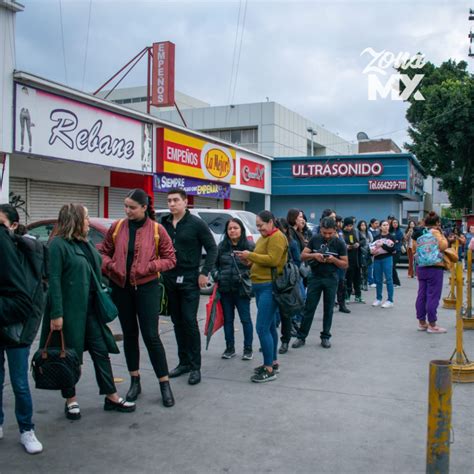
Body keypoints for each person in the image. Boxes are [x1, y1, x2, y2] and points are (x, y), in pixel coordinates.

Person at [39, 204, 136, 421]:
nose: (88, 221)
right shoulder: (58, 245)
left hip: (91, 310)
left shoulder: (85, 244)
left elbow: (97, 269)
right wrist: (57, 313)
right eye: (85, 217)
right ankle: (70, 400)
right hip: (69, 312)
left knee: (100, 351)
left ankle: (111, 396)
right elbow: (53, 280)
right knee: (69, 355)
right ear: (74, 220)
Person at [99, 189, 177, 406]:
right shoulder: (117, 227)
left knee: (151, 336)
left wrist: (149, 266)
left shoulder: (157, 229)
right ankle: (135, 380)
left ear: (144, 208)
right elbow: (103, 252)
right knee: (130, 334)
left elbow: (170, 259)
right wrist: (111, 265)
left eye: (132, 207)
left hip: (147, 287)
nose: (128, 211)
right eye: (126, 206)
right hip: (121, 287)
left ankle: (164, 383)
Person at [161, 188, 217, 386]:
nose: (172, 204)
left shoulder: (196, 224)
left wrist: (204, 273)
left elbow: (212, 248)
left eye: (176, 200)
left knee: (189, 322)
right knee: (177, 322)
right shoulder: (164, 223)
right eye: (169, 201)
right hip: (169, 278)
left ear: (185, 202)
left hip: (190, 279)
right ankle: (183, 362)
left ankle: (195, 367)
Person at [0, 207, 42, 454]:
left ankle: (27, 429)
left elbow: (30, 297)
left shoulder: (27, 252)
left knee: (19, 382)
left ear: (13, 226)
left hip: (18, 329)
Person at [235, 211, 287, 383]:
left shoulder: (277, 237)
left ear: (271, 222)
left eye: (261, 225)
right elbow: (261, 259)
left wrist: (250, 255)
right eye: (257, 226)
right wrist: (247, 261)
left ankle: (268, 369)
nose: (259, 228)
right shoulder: (265, 237)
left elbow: (273, 259)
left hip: (269, 287)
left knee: (262, 328)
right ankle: (272, 362)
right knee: (270, 326)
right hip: (260, 286)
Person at [292, 217, 348, 349]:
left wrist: (333, 260)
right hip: (315, 277)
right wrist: (314, 255)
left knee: (328, 309)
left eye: (330, 233)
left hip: (331, 278)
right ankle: (301, 337)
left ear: (335, 230)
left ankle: (325, 336)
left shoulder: (340, 243)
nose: (327, 236)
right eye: (324, 233)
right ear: (320, 230)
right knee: (309, 308)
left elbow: (345, 264)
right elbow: (302, 256)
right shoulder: (315, 239)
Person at [214, 218, 255, 360]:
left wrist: (246, 275)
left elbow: (256, 266)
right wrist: (216, 275)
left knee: (245, 320)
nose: (232, 231)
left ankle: (248, 349)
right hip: (225, 289)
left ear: (241, 230)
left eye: (235, 228)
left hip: (242, 290)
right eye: (230, 228)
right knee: (228, 320)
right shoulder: (222, 246)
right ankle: (229, 348)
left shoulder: (249, 246)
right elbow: (214, 265)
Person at [415, 211, 448, 333]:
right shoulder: (436, 232)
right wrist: (442, 235)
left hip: (421, 266)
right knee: (433, 295)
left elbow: (415, 248)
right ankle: (432, 324)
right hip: (434, 266)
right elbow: (444, 245)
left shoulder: (420, 232)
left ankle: (422, 322)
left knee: (421, 294)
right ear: (437, 223)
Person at [371, 220, 396, 308]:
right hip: (377, 259)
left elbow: (393, 250)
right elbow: (372, 247)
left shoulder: (391, 236)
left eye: (387, 225)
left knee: (389, 279)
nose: (386, 226)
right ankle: (378, 298)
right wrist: (372, 252)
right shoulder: (377, 237)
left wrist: (382, 245)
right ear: (380, 227)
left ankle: (390, 300)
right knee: (378, 280)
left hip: (387, 258)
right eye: (384, 225)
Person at [342, 217, 365, 303]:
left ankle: (358, 296)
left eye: (351, 225)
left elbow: (364, 240)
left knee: (357, 279)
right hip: (347, 260)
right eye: (348, 226)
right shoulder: (341, 233)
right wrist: (345, 247)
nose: (349, 227)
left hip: (357, 260)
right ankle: (347, 297)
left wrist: (358, 244)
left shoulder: (356, 231)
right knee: (348, 279)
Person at [335, 215, 350, 314]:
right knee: (333, 283)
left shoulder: (340, 232)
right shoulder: (329, 232)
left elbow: (343, 244)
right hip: (333, 261)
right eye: (337, 221)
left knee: (342, 283)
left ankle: (342, 304)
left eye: (340, 222)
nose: (339, 224)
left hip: (342, 261)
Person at [357, 220, 372, 291]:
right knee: (359, 270)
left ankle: (365, 284)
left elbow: (371, 242)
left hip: (367, 253)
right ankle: (359, 284)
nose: (363, 226)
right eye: (362, 225)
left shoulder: (368, 233)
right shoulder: (357, 233)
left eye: (364, 225)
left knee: (365, 269)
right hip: (359, 252)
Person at [390, 219, 404, 288]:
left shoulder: (399, 232)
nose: (395, 224)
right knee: (391, 267)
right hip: (390, 251)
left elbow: (398, 242)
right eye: (393, 222)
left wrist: (394, 243)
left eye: (396, 222)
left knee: (392, 266)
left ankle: (397, 282)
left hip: (397, 251)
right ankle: (393, 282)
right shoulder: (390, 231)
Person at [367, 219, 379, 287]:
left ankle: (375, 280)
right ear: (371, 224)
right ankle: (370, 281)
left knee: (376, 267)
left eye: (378, 223)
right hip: (371, 251)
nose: (377, 225)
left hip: (378, 251)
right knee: (370, 267)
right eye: (375, 223)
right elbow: (370, 242)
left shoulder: (378, 231)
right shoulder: (369, 231)